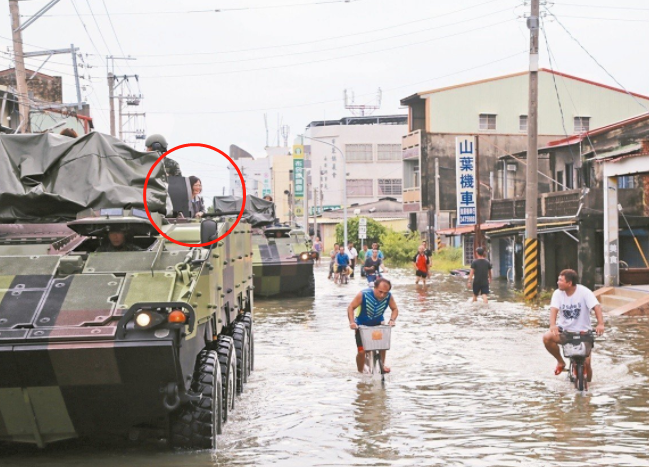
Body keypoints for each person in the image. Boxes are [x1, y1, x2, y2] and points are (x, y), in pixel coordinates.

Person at [543, 269, 605, 381]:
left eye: (561, 280)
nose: (557, 282)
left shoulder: (584, 292)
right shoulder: (557, 293)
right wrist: (552, 325)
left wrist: (600, 324)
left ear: (569, 283)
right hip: (565, 332)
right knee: (547, 337)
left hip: (583, 334)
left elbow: (596, 307)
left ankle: (588, 386)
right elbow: (554, 309)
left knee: (587, 363)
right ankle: (560, 362)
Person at [347, 277, 399, 373]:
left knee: (383, 345)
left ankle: (382, 365)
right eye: (380, 292)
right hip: (361, 326)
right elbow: (351, 307)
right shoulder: (363, 294)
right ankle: (360, 371)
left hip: (378, 324)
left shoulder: (389, 297)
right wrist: (352, 322)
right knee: (361, 352)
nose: (382, 295)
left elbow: (395, 309)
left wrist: (392, 320)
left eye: (385, 293)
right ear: (374, 288)